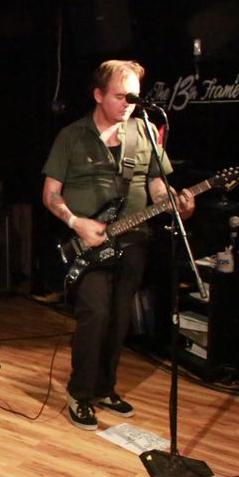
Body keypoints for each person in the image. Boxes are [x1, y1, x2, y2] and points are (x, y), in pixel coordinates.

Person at [42, 60, 195, 431]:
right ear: (98, 95)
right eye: (120, 96)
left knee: (120, 316)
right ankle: (80, 393)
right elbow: (50, 194)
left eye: (134, 97)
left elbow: (156, 185)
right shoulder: (72, 136)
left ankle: (105, 388)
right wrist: (76, 223)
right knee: (95, 313)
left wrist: (175, 202)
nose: (129, 103)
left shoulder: (145, 131)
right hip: (90, 243)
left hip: (134, 239)